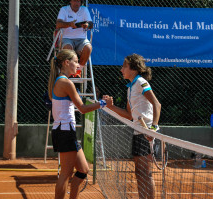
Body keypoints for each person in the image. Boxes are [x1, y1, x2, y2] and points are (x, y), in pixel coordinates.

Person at [48, 49, 112, 199]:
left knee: (83, 170)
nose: (78, 65)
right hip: (64, 131)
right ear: (66, 62)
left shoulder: (61, 81)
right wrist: (103, 103)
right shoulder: (65, 82)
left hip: (65, 131)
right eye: (76, 61)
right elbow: (82, 109)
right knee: (65, 174)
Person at [104, 53, 161, 199]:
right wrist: (111, 107)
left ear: (133, 69)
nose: (121, 69)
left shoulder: (141, 82)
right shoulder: (130, 87)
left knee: (146, 173)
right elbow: (128, 115)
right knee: (139, 172)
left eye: (124, 66)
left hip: (147, 133)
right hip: (137, 132)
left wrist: (153, 128)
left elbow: (157, 104)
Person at [56, 0, 93, 78]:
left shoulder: (84, 9)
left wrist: (87, 24)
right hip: (66, 38)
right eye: (75, 1)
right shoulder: (64, 9)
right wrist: (70, 24)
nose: (77, 3)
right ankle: (68, 72)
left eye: (79, 1)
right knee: (67, 48)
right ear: (70, 1)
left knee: (88, 47)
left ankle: (78, 71)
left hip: (81, 39)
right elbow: (58, 24)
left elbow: (91, 24)